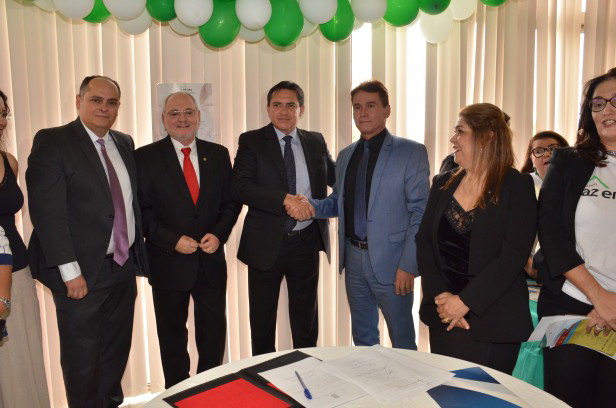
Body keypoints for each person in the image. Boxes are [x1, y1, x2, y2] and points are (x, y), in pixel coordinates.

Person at [26, 76, 147, 408]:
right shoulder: (53, 141)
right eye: (96, 100)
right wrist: (70, 272)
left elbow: (128, 203)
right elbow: (47, 212)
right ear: (79, 101)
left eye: (112, 102)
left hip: (122, 267)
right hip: (80, 273)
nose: (104, 107)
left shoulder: (124, 142)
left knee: (115, 353)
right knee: (83, 360)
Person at [302, 80, 429, 349]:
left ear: (387, 110)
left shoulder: (411, 152)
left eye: (370, 106)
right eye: (357, 107)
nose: (362, 113)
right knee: (363, 340)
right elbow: (339, 202)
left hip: (394, 264)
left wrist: (409, 265)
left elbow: (421, 212)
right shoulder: (346, 155)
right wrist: (310, 206)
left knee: (403, 342)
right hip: (354, 259)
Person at [417, 103, 536, 374]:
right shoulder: (442, 183)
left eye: (461, 132)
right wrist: (442, 299)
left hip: (493, 321)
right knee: (446, 392)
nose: (453, 139)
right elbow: (424, 243)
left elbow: (512, 256)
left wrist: (465, 302)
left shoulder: (517, 186)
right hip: (445, 317)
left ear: (486, 137)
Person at [135, 92, 240, 388]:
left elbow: (231, 203)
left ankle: (210, 392)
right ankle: (178, 394)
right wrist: (172, 240)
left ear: (198, 116)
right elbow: (141, 210)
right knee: (172, 338)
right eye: (174, 113)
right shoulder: (144, 157)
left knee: (213, 335)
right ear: (164, 119)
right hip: (167, 262)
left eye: (188, 112)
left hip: (210, 262)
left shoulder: (218, 154)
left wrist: (219, 234)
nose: (182, 119)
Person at [232, 81, 335, 356]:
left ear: (301, 109)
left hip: (306, 241)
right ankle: (264, 375)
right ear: (268, 108)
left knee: (306, 321)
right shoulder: (251, 141)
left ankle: (306, 371)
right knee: (262, 322)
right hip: (265, 243)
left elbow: (336, 178)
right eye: (277, 105)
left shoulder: (315, 141)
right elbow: (239, 187)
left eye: (291, 105)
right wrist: (284, 199)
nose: (284, 111)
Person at [538, 67, 616, 407]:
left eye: (615, 101)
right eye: (598, 103)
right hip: (571, 306)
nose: (606, 110)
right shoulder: (568, 161)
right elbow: (551, 234)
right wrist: (598, 297)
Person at [0, 90, 50, 407]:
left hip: (18, 270)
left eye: (3, 113)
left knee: (24, 355)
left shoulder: (10, 162)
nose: (1, 120)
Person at [519, 131, 569, 279]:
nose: (547, 154)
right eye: (538, 151)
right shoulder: (523, 185)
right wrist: (529, 267)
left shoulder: (577, 185)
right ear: (531, 159)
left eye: (553, 149)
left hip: (571, 268)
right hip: (530, 269)